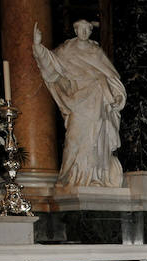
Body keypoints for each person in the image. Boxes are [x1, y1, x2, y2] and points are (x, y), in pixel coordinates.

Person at [33, 20, 126, 188]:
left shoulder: (96, 51)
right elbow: (51, 65)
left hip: (98, 102)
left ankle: (95, 177)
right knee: (73, 138)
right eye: (80, 29)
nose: (83, 32)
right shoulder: (66, 50)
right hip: (77, 101)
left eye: (87, 29)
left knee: (96, 140)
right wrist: (38, 46)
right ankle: (70, 176)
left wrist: (118, 96)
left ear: (90, 31)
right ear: (75, 30)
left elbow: (111, 77)